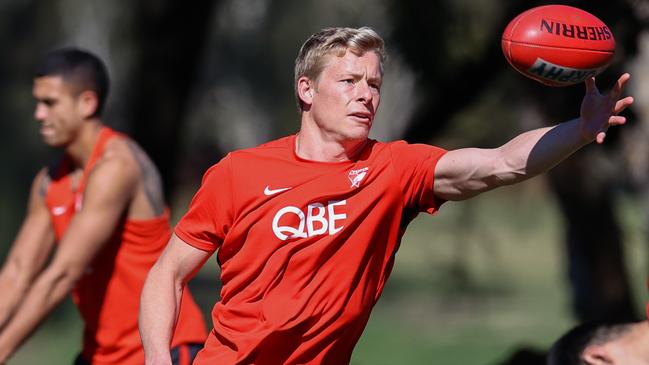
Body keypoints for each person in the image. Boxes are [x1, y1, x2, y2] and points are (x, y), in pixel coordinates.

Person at [139, 26, 634, 365]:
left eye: (373, 83)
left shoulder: (393, 169)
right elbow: (168, 272)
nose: (366, 95)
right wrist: (158, 359)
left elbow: (498, 162)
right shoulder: (238, 173)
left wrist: (580, 128)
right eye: (350, 81)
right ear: (306, 90)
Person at [0, 48, 207, 364]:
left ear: (87, 102)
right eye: (38, 103)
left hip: (162, 352)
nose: (39, 114)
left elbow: (63, 273)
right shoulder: (49, 181)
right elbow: (17, 272)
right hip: (100, 355)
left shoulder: (117, 166)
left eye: (50, 103)